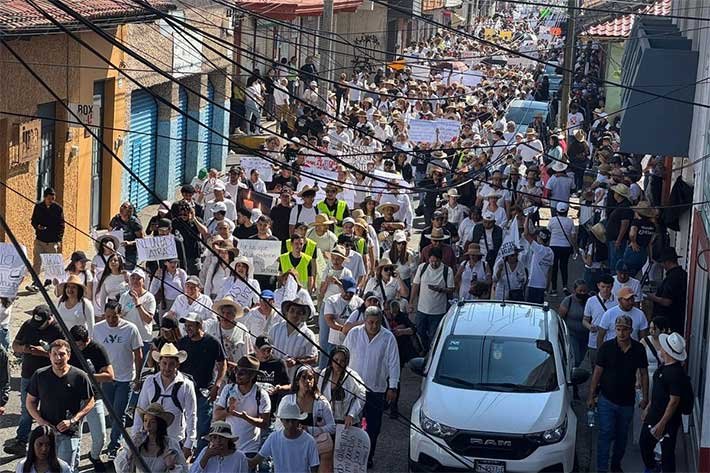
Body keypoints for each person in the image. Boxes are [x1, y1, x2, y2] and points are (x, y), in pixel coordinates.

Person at [587, 314, 649, 473]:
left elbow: (643, 374)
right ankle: (602, 468)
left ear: (631, 330)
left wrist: (645, 397)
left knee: (622, 437)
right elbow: (597, 373)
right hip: (606, 399)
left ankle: (616, 465)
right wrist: (591, 396)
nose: (621, 333)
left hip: (627, 401)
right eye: (618, 329)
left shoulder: (638, 349)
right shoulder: (606, 348)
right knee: (605, 433)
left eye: (625, 329)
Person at [343, 307, 400, 468]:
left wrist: (393, 387)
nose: (374, 326)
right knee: (351, 424)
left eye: (377, 323)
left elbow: (394, 363)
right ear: (365, 320)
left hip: (376, 390)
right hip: (353, 389)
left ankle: (368, 456)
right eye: (370, 322)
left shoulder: (388, 338)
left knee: (372, 426)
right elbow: (344, 356)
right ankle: (348, 455)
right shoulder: (354, 333)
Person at [26, 340, 95, 470]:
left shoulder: (79, 376)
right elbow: (30, 402)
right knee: (44, 467)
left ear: (69, 355)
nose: (58, 358)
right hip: (47, 433)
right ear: (49, 355)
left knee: (64, 468)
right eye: (54, 354)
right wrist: (41, 421)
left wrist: (73, 420)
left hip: (69, 432)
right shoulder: (40, 375)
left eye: (62, 354)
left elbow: (90, 401)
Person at [5, 305, 64, 456]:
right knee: (26, 409)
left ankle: (49, 443)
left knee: (48, 411)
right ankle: (21, 441)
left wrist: (44, 353)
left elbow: (64, 356)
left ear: (49, 318)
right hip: (28, 375)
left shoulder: (58, 330)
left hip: (49, 377)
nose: (37, 326)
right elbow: (15, 345)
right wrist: (25, 349)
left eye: (41, 323)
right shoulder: (28, 325)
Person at [93, 299, 144, 457]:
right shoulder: (97, 329)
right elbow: (93, 352)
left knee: (119, 413)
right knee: (111, 411)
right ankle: (116, 440)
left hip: (125, 378)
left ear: (120, 314)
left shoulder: (130, 329)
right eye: (108, 316)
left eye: (114, 317)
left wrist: (137, 378)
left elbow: (138, 354)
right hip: (107, 378)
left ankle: (114, 445)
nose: (111, 320)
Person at [134, 343, 196, 459]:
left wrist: (189, 443)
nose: (167, 368)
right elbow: (140, 409)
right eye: (164, 363)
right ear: (159, 363)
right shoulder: (149, 382)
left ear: (177, 364)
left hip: (175, 439)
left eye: (171, 364)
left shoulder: (186, 385)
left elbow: (191, 415)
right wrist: (135, 436)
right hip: (151, 439)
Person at [176, 313, 227, 454]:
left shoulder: (212, 342)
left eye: (190, 325)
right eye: (186, 326)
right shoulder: (182, 342)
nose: (187, 328)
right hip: (184, 390)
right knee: (184, 424)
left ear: (199, 325)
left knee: (203, 426)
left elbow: (222, 363)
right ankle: (184, 452)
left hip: (204, 391)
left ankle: (200, 456)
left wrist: (217, 384)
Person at [639, 332, 687, 473]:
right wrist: (648, 408)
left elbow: (674, 401)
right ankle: (653, 467)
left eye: (663, 347)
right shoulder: (663, 368)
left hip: (664, 421)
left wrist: (662, 424)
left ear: (667, 351)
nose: (660, 348)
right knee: (645, 443)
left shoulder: (675, 373)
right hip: (654, 415)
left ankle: (655, 468)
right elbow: (658, 393)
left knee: (666, 454)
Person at [68, 325, 113, 471]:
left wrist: (88, 376)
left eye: (80, 345)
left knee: (100, 436)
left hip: (94, 397)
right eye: (74, 345)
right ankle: (74, 467)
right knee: (75, 437)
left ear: (87, 340)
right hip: (73, 398)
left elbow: (109, 375)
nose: (77, 348)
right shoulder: (68, 349)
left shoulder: (97, 349)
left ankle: (94, 456)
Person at [214, 355, 271, 461]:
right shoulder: (228, 389)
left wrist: (246, 417)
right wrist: (228, 410)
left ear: (252, 375)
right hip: (228, 448)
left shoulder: (261, 394)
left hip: (250, 449)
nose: (237, 375)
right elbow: (216, 416)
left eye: (242, 373)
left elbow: (265, 423)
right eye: (236, 370)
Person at [115, 403, 188, 472]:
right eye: (145, 421)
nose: (148, 425)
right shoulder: (136, 441)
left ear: (159, 424)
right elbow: (120, 468)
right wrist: (131, 449)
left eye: (152, 422)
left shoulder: (170, 444)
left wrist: (171, 466)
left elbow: (184, 470)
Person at [250, 402, 320, 473]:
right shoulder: (273, 438)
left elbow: (314, 468)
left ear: (298, 420)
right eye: (287, 420)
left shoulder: (309, 441)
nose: (291, 424)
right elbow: (254, 461)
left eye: (294, 420)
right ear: (281, 420)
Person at [409, 247, 455, 350]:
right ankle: (424, 350)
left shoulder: (447, 271)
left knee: (434, 335)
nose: (434, 264)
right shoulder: (422, 268)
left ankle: (432, 352)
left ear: (441, 260)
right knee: (419, 332)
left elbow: (451, 289)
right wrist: (411, 302)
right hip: (422, 309)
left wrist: (440, 289)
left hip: (438, 311)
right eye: (432, 261)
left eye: (436, 262)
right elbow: (415, 285)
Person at [269, 296, 319, 379]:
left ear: (303, 316)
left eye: (299, 313)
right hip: (275, 376)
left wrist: (296, 361)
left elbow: (314, 359)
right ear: (287, 312)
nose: (295, 315)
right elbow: (267, 349)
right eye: (292, 311)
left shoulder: (308, 334)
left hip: (295, 379)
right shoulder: (275, 329)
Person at [317, 346, 366, 427]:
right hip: (327, 420)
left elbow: (362, 394)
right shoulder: (325, 373)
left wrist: (351, 414)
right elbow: (318, 395)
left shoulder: (351, 376)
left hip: (346, 423)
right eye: (336, 360)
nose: (338, 363)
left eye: (342, 361)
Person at [29, 187, 65, 292]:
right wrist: (37, 226)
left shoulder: (58, 209)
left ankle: (48, 282)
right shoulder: (38, 207)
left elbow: (61, 225)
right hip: (40, 239)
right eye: (49, 198)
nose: (51, 200)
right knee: (37, 261)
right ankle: (35, 282)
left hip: (52, 241)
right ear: (44, 197)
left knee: (50, 262)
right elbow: (33, 221)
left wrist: (59, 240)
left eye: (53, 198)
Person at [646, 247, 688, 335]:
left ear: (667, 262)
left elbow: (667, 301)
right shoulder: (682, 274)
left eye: (662, 262)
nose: (662, 265)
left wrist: (651, 297)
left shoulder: (672, 278)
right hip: (677, 320)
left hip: (667, 322)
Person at [582, 274, 617, 367]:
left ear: (612, 287)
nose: (605, 290)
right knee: (596, 366)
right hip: (594, 341)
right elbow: (585, 320)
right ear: (598, 286)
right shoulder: (591, 301)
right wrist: (590, 327)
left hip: (612, 340)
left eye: (608, 287)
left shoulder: (617, 301)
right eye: (603, 287)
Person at [119, 269, 157, 352]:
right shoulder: (124, 296)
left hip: (143, 338)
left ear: (143, 281)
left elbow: (148, 319)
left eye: (138, 278)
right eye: (133, 278)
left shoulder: (149, 297)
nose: (135, 281)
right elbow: (120, 316)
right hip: (127, 337)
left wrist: (138, 303)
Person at [558, 280, 590, 368]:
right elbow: (560, 318)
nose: (582, 293)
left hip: (586, 335)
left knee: (581, 357)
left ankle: (574, 370)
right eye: (580, 291)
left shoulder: (590, 301)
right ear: (575, 290)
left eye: (584, 291)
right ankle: (571, 372)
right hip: (572, 334)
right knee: (576, 357)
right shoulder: (568, 301)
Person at [547, 202, 576, 296]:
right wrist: (575, 247)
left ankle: (554, 288)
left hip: (554, 246)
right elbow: (573, 236)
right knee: (564, 267)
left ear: (557, 211)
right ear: (567, 211)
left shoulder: (552, 220)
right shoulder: (570, 221)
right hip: (565, 246)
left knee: (554, 267)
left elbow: (549, 231)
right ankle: (565, 286)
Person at [523, 218, 554, 304]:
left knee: (530, 306)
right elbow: (550, 271)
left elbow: (526, 234)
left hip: (533, 283)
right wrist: (547, 286)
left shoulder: (538, 249)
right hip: (543, 284)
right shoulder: (551, 252)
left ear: (539, 238)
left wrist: (527, 217)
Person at [109, 201, 144, 270]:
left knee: (128, 271)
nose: (121, 208)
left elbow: (141, 239)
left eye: (125, 207)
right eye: (121, 206)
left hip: (130, 252)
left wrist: (130, 243)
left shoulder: (134, 222)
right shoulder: (116, 219)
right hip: (118, 250)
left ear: (130, 211)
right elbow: (109, 231)